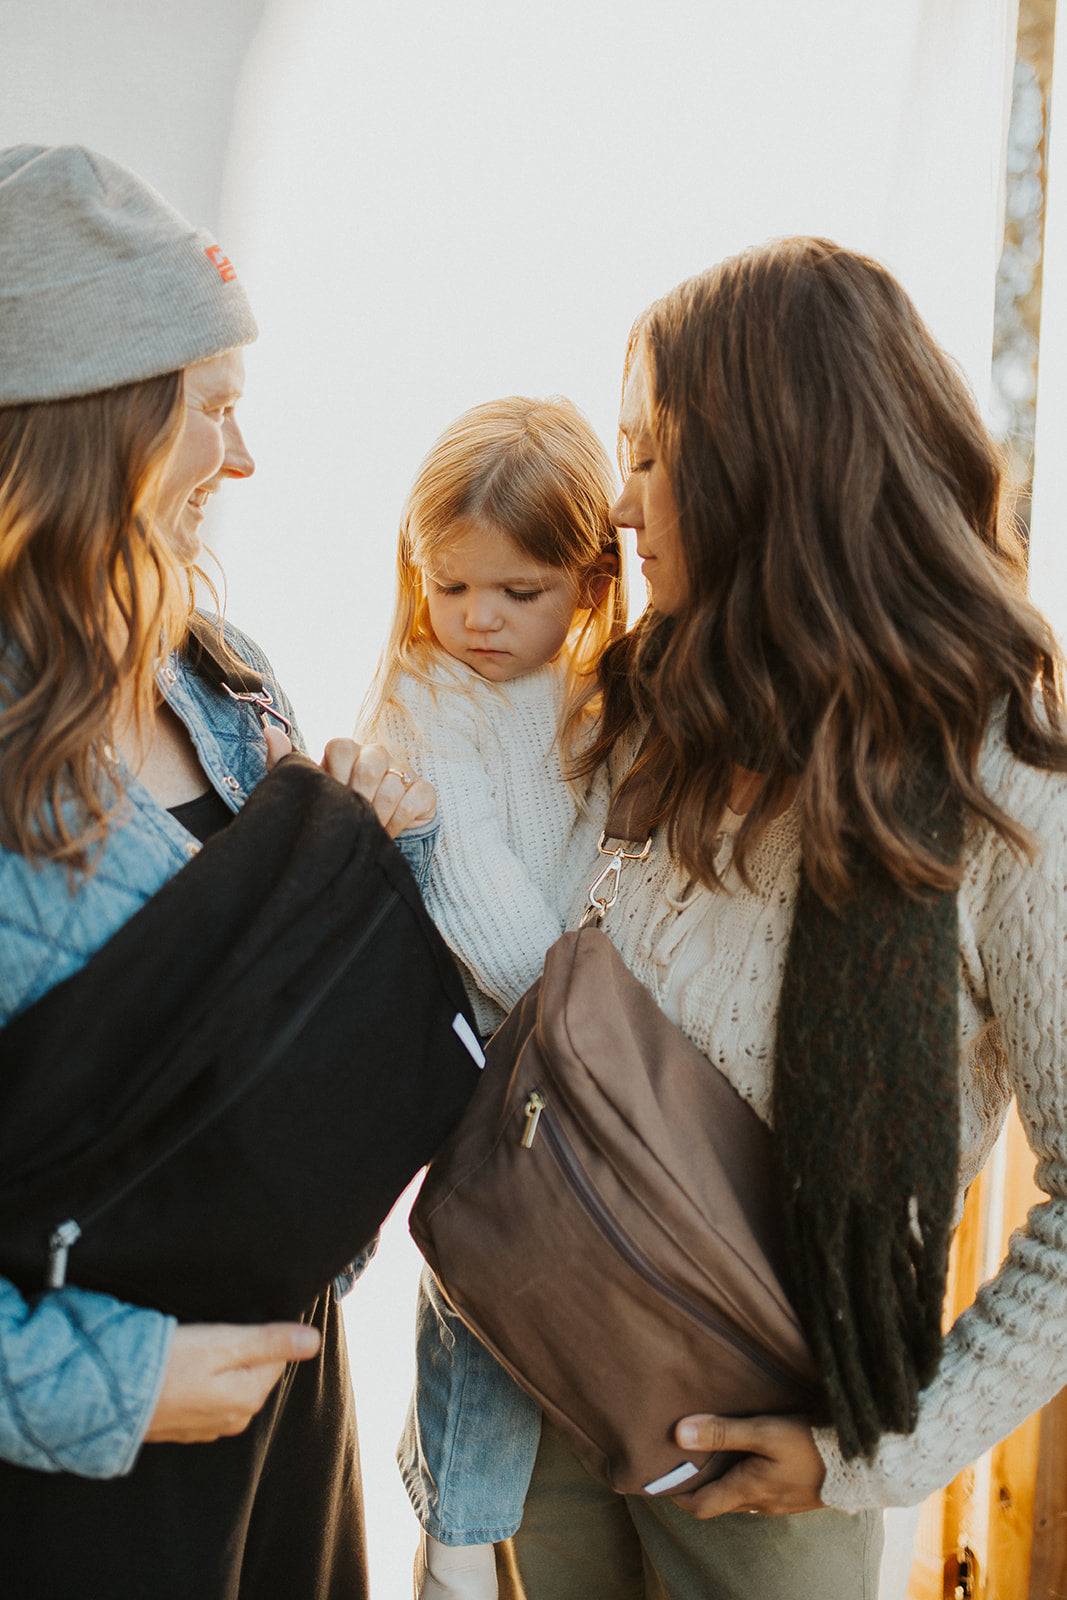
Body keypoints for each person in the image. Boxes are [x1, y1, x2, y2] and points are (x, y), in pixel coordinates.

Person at [495, 238, 1067, 1598]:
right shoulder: (656, 715)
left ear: (765, 459)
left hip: (773, 1462)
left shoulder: (999, 772)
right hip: (541, 1387)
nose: (617, 505)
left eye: (647, 455)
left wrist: (881, 1451)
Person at [0, 143, 435, 1597]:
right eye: (213, 413)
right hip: (68, 1483)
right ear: (96, 424)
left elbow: (264, 1051)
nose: (244, 463)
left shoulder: (225, 683)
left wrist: (356, 845)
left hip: (281, 1430)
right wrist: (118, 1384)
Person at [360, 395, 625, 1598]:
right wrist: (578, 1027)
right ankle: (456, 1540)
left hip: (588, 1036)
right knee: (481, 1258)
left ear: (586, 578)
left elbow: (609, 863)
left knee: (561, 1273)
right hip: (486, 1042)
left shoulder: (598, 695)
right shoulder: (427, 696)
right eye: (449, 584)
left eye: (516, 593)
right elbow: (471, 884)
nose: (475, 619)